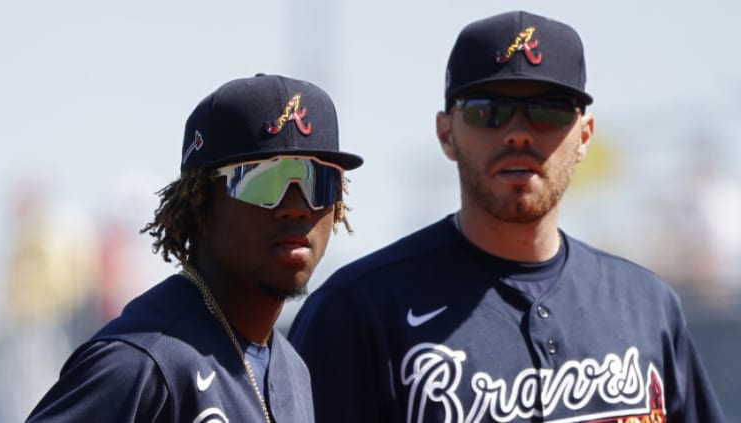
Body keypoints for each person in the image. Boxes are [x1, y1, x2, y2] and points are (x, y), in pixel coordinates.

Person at [289, 11, 727, 423]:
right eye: (488, 111)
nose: (518, 132)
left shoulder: (647, 306)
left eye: (549, 110)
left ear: (585, 136)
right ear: (446, 133)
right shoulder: (358, 310)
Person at [26, 73, 363, 423]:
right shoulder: (141, 362)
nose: (297, 206)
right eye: (264, 180)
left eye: (320, 181)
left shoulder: (292, 370)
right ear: (201, 203)